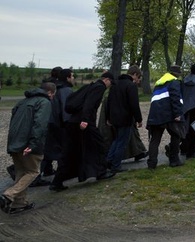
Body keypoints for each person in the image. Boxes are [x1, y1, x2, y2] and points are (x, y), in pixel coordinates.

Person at [50, 71, 116, 192]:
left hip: (74, 122)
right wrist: (85, 120)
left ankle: (57, 181)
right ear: (106, 80)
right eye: (110, 83)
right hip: (84, 123)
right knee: (99, 145)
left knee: (70, 152)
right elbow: (89, 104)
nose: (109, 86)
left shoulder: (90, 86)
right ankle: (101, 172)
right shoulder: (99, 87)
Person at [1, 83, 55, 214]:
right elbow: (40, 125)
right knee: (33, 172)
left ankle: (18, 204)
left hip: (15, 143)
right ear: (50, 92)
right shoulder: (44, 102)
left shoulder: (23, 102)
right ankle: (8, 195)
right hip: (28, 144)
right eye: (54, 94)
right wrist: (33, 144)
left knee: (21, 172)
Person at [145, 65, 185, 169]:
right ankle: (174, 160)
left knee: (155, 140)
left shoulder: (159, 83)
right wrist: (177, 114)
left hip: (156, 115)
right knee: (176, 135)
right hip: (169, 114)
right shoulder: (174, 82)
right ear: (177, 74)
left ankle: (151, 164)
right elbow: (175, 98)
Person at [104, 68, 143, 173]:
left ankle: (108, 160)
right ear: (134, 74)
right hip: (125, 118)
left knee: (117, 140)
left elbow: (109, 102)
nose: (137, 80)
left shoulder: (115, 84)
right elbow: (134, 104)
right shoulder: (131, 86)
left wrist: (108, 117)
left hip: (114, 117)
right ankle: (116, 165)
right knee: (122, 142)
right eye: (138, 77)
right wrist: (139, 119)